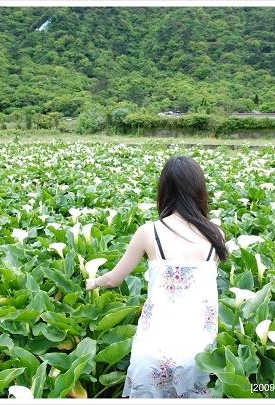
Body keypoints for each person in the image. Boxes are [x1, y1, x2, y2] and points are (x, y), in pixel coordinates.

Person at [86, 156, 228, 398]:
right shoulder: (216, 234)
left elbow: (113, 280)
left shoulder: (149, 232)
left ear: (164, 190)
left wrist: (93, 282)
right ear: (199, 190)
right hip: (198, 353)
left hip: (153, 351)